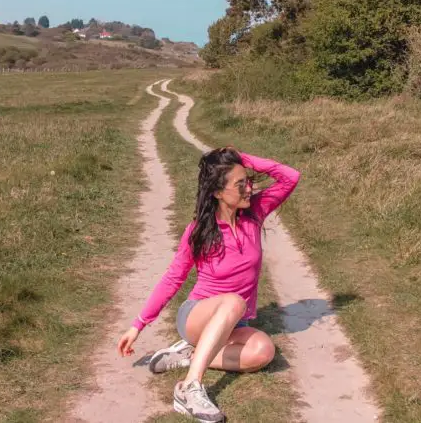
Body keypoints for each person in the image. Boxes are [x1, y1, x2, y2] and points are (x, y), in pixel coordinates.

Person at [117, 147, 300, 422]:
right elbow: (173, 278)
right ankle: (189, 388)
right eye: (240, 184)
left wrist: (245, 160)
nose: (248, 188)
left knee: (264, 352)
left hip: (233, 323)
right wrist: (138, 324)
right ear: (217, 192)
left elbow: (290, 177)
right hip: (196, 316)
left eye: (248, 180)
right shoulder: (200, 232)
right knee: (234, 301)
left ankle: (190, 354)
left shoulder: (255, 214)